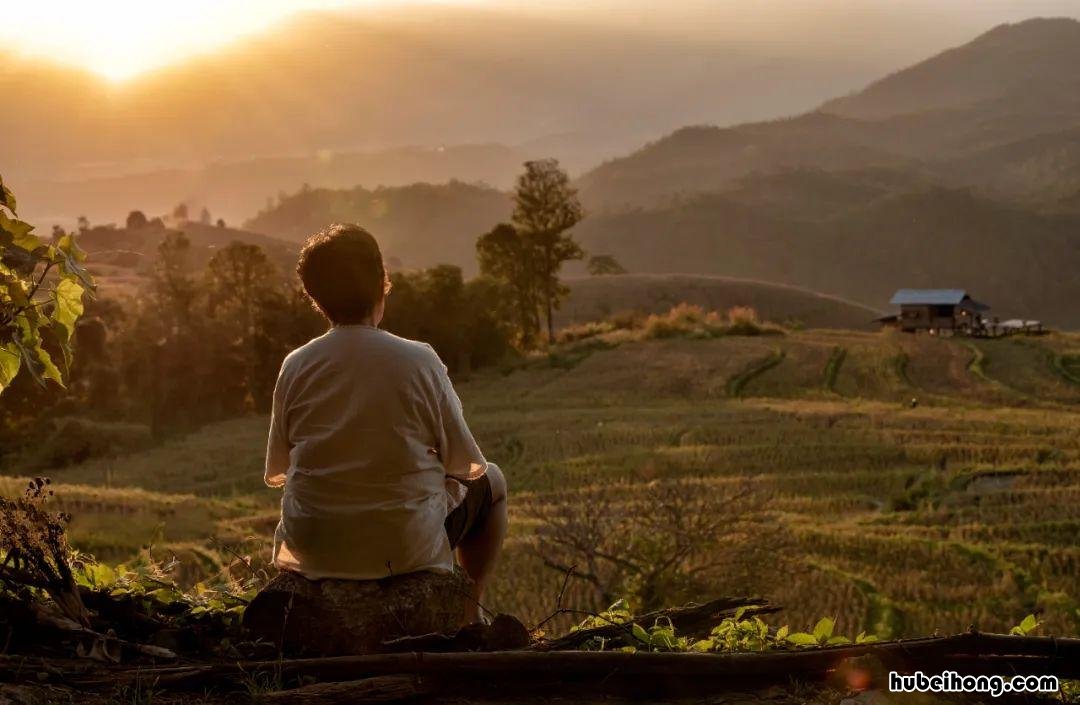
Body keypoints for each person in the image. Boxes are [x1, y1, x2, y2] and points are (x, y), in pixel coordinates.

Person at [263, 223, 507, 624]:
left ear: (315, 298)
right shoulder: (418, 360)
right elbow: (467, 465)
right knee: (494, 482)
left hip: (313, 548)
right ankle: (470, 609)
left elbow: (280, 468)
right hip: (405, 548)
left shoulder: (296, 365)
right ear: (382, 283)